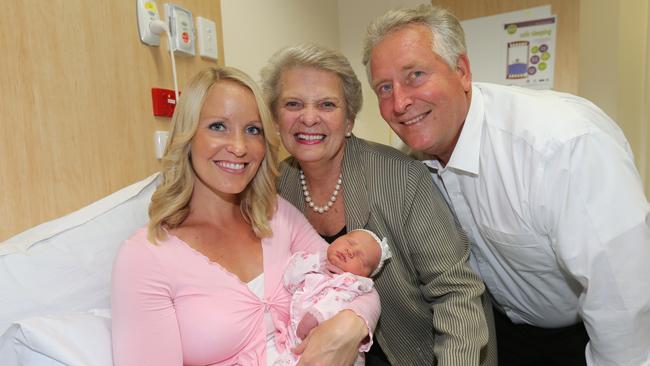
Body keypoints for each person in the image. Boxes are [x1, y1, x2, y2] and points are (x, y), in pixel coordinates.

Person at [363, 4, 650, 366]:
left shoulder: (561, 145)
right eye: (384, 88)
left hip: (585, 337)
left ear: (462, 71)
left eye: (416, 75)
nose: (400, 102)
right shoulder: (411, 166)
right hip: (497, 331)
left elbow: (623, 298)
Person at [111, 66, 380, 366]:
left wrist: (350, 325)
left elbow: (355, 284)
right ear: (188, 136)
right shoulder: (146, 257)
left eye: (253, 130)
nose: (239, 147)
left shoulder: (276, 216)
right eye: (218, 126)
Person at [262, 43, 496, 366]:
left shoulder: (400, 176)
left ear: (349, 120)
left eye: (327, 104)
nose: (309, 117)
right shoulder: (273, 190)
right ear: (276, 118)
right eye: (293, 104)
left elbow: (456, 292)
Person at [275, 229, 392, 366]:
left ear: (365, 276)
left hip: (333, 350)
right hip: (292, 344)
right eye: (350, 242)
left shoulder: (352, 285)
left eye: (361, 258)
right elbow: (289, 280)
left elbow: (338, 302)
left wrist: (317, 314)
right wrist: (316, 263)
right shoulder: (314, 261)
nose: (351, 251)